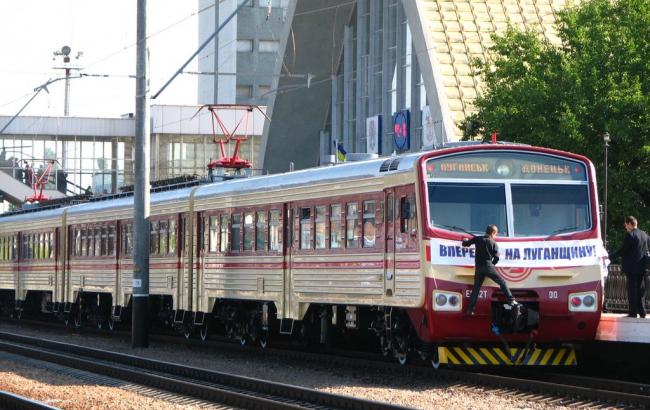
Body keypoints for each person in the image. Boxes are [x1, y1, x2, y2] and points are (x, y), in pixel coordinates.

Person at [462, 224, 516, 315]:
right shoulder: (494, 243)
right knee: (502, 282)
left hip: (478, 268)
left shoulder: (477, 239)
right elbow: (497, 258)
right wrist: (492, 265)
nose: (496, 236)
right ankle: (511, 300)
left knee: (476, 288)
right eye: (496, 234)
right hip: (488, 266)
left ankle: (470, 310)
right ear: (493, 233)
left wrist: (465, 240)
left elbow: (465, 244)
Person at [611, 216, 650, 318]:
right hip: (642, 268)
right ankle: (642, 312)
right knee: (640, 291)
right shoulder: (644, 234)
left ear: (629, 224)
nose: (625, 227)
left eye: (625, 225)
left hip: (631, 269)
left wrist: (609, 256)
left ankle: (633, 313)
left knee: (632, 291)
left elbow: (623, 250)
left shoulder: (630, 235)